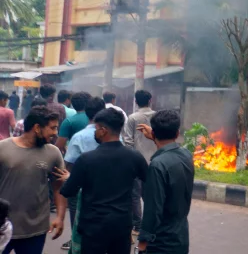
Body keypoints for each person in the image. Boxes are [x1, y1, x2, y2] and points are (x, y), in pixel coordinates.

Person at [57, 108, 147, 254]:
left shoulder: (86, 159)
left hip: (93, 226)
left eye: (96, 128)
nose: (95, 132)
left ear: (103, 130)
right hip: (122, 225)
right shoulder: (134, 157)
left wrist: (70, 179)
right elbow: (148, 180)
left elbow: (68, 190)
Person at [0, 106, 66, 254]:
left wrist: (60, 217)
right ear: (37, 128)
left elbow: (58, 187)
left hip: (35, 229)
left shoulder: (53, 153)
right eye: (52, 128)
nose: (56, 133)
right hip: (2, 227)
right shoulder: (3, 148)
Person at [134, 110, 194, 254]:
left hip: (161, 242)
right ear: (177, 133)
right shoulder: (186, 155)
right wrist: (155, 138)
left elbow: (153, 209)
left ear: (153, 134)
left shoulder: (157, 165)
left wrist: (143, 242)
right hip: (180, 237)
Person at [60, 96, 105, 252]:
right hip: (106, 187)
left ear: (88, 113)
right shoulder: (112, 135)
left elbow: (69, 165)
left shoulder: (78, 136)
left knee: (77, 218)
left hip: (80, 188)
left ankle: (77, 243)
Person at [121, 90, 156, 235]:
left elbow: (128, 141)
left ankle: (138, 225)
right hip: (154, 161)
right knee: (150, 195)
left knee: (135, 194)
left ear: (136, 101)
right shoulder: (157, 116)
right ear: (150, 100)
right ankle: (151, 223)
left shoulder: (133, 118)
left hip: (136, 161)